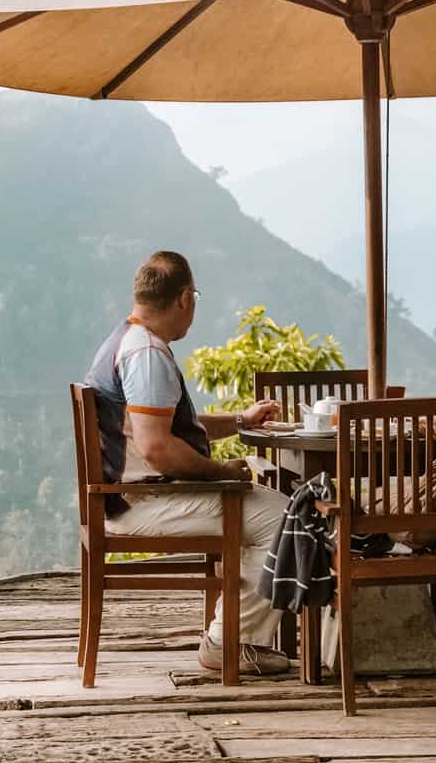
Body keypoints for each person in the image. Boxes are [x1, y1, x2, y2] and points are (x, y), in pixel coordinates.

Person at [85, 250, 291, 675]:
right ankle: (233, 643)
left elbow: (168, 426)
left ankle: (237, 634)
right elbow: (159, 448)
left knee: (269, 507)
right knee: (283, 516)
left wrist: (239, 421)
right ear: (184, 299)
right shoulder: (147, 355)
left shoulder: (128, 340)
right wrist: (224, 474)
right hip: (143, 504)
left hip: (128, 498)